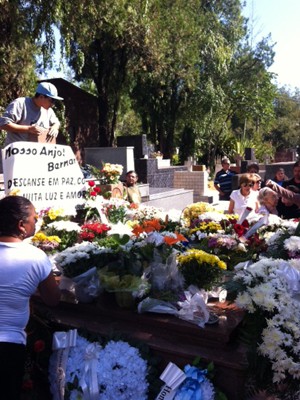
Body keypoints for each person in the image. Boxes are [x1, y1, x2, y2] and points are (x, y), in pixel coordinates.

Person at [0, 195, 61, 400]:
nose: (36, 222)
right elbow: (53, 299)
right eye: (34, 218)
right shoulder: (35, 257)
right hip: (8, 349)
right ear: (21, 225)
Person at [0, 81, 63, 146]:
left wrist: (55, 127)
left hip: (35, 154)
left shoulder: (49, 111)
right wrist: (28, 129)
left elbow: (56, 122)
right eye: (51, 100)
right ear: (41, 97)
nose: (53, 104)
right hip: (16, 152)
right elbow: (3, 124)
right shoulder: (20, 104)